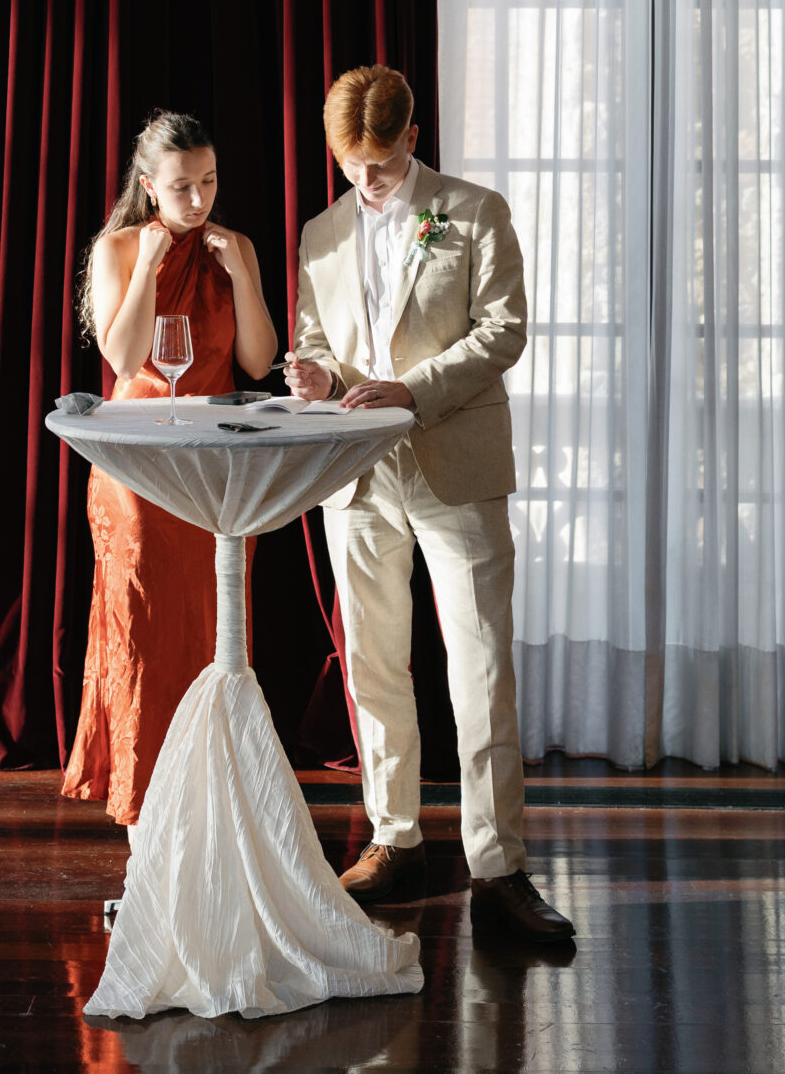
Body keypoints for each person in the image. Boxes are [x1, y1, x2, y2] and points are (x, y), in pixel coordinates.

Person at [287, 65, 574, 945]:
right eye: (349, 166)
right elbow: (315, 341)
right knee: (373, 663)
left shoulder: (475, 210)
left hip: (455, 460)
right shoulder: (320, 232)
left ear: (412, 139)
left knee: (480, 666)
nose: (364, 184)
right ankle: (393, 838)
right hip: (356, 475)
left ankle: (500, 866)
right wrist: (314, 375)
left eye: (377, 166)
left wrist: (408, 390)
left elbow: (505, 329)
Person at [61, 109, 277, 834]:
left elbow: (255, 361)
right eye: (182, 186)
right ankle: (143, 808)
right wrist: (151, 265)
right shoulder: (118, 248)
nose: (198, 199)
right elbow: (124, 360)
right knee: (149, 630)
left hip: (215, 463)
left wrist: (242, 272)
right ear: (151, 187)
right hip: (138, 464)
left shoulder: (233, 244)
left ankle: (211, 798)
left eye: (209, 182)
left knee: (215, 627)